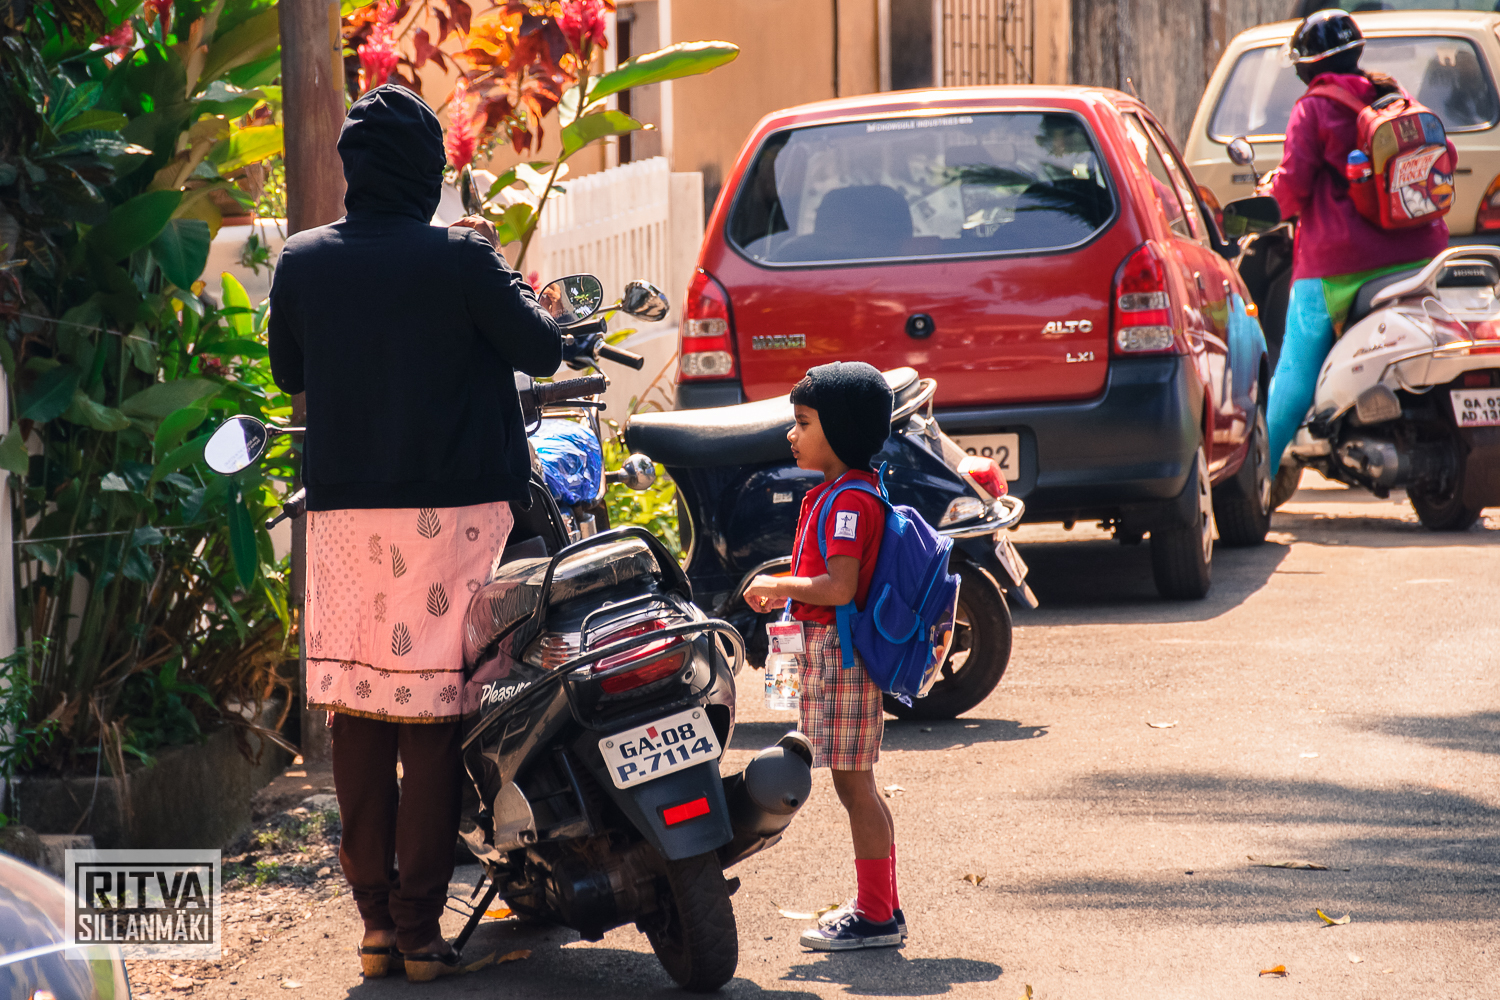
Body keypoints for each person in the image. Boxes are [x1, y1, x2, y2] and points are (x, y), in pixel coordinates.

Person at [267, 84, 561, 982]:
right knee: (432, 718)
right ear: (429, 170)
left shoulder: (303, 260)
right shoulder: (461, 257)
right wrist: (497, 270)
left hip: (346, 518)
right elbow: (542, 349)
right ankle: (421, 930)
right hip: (452, 520)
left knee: (359, 715)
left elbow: (286, 372)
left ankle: (374, 929)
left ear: (353, 169)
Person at [743, 361, 904, 951]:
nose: (793, 433)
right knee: (858, 785)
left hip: (839, 653)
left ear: (840, 430)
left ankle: (877, 915)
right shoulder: (840, 493)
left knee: (855, 788)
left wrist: (776, 584)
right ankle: (881, 907)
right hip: (826, 648)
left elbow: (838, 588)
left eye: (805, 422)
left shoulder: (848, 504)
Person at [1263, 8, 1454, 481]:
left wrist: (1265, 201)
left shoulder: (1312, 108)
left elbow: (1292, 186)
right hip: (1421, 255)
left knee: (1294, 371)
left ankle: (1254, 478)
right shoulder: (1392, 93)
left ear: (1305, 65)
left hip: (1338, 266)